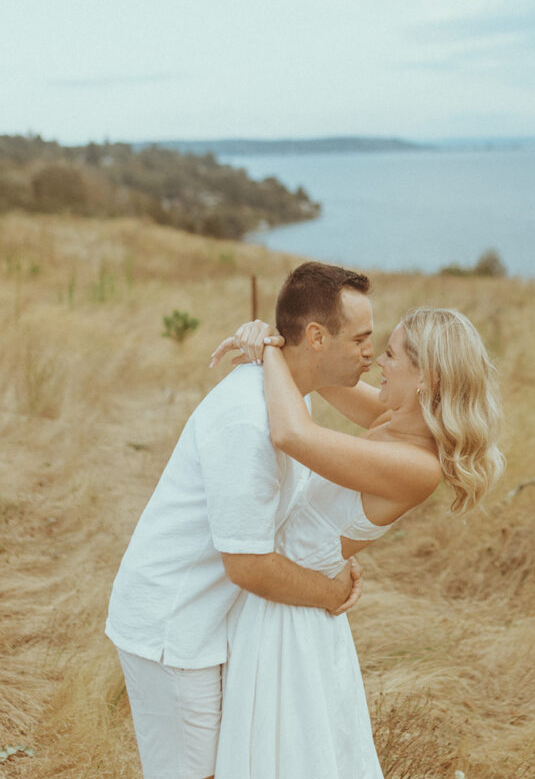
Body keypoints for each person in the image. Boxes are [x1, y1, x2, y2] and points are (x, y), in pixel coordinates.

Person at [209, 303, 504, 778]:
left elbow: (291, 433)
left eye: (390, 354)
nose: (375, 363)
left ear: (427, 377)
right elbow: (321, 374)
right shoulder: (393, 419)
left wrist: (265, 348)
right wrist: (270, 335)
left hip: (289, 617)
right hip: (282, 589)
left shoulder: (417, 466)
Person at [105, 262, 375, 779]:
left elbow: (384, 413)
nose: (371, 351)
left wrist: (272, 346)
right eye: (361, 338)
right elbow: (247, 565)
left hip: (213, 622)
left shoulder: (292, 396)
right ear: (316, 337)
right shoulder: (248, 420)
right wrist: (330, 592)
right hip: (173, 630)